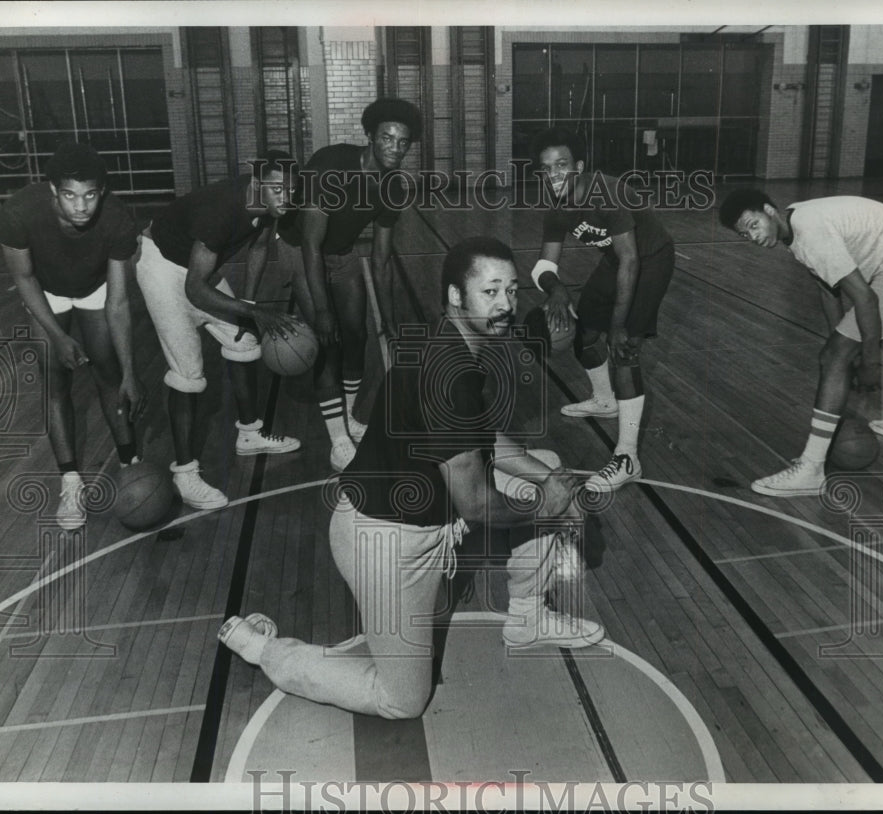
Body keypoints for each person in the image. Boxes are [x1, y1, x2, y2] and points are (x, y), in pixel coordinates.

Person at [220, 237, 604, 719]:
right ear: (456, 296)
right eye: (491, 292)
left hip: (424, 523)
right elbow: (477, 505)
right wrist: (546, 504)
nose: (506, 304)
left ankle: (526, 619)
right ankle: (264, 650)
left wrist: (554, 481)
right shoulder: (448, 377)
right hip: (383, 545)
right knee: (401, 700)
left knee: (544, 466)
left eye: (511, 290)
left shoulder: (452, 341)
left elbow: (483, 441)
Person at [718, 189, 883, 497]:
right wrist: (842, 347)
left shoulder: (811, 233)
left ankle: (811, 468)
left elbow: (865, 298)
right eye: (745, 234)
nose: (752, 237)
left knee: (833, 356)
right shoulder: (794, 226)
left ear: (769, 211)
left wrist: (866, 362)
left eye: (753, 225)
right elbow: (828, 291)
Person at [135, 152, 303, 510]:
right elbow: (195, 290)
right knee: (188, 373)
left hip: (196, 268)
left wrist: (251, 306)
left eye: (291, 189)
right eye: (277, 189)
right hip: (162, 267)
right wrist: (254, 313)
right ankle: (184, 472)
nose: (285, 197)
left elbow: (258, 248)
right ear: (257, 185)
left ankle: (250, 434)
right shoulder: (220, 212)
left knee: (245, 343)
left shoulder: (269, 205)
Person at [0, 142, 146, 530]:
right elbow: (24, 279)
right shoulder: (17, 213)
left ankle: (132, 464)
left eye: (90, 195)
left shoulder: (117, 220)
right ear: (52, 192)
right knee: (55, 382)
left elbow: (118, 302)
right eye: (69, 195)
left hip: (95, 287)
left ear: (103, 193)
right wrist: (58, 338)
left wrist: (132, 371)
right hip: (45, 291)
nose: (81, 207)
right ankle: (70, 481)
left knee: (110, 375)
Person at [276, 98, 422, 472]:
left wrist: (387, 320)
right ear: (370, 136)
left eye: (403, 142)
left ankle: (351, 417)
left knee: (357, 334)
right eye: (387, 138)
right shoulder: (331, 167)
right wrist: (323, 310)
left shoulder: (394, 187)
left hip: (340, 254)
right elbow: (310, 244)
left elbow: (381, 258)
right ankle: (338, 441)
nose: (394, 147)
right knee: (329, 338)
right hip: (298, 249)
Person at [529, 127, 675, 493]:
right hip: (616, 261)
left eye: (562, 165)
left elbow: (631, 260)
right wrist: (557, 288)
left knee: (623, 349)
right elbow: (542, 267)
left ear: (578, 166)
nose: (555, 175)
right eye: (547, 169)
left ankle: (627, 458)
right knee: (585, 331)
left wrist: (620, 325)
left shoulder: (605, 192)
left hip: (651, 259)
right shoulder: (557, 210)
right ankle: (604, 399)